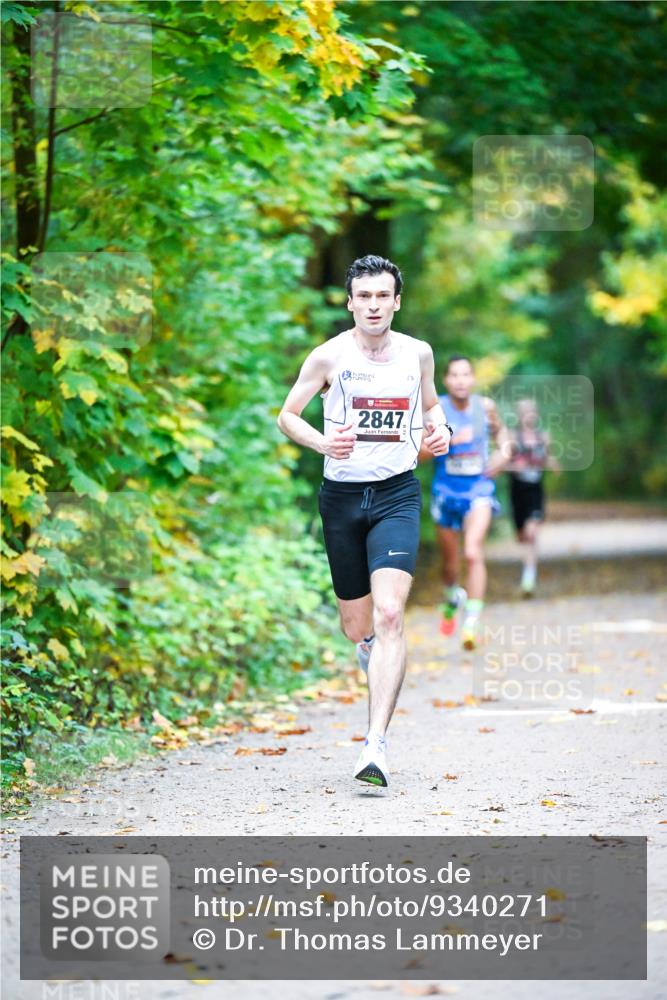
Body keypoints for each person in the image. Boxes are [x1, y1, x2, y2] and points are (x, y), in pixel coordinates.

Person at [277, 254, 452, 788]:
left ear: (397, 301)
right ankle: (374, 658)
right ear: (351, 302)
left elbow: (431, 408)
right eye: (364, 297)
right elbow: (287, 416)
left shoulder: (418, 354)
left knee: (391, 614)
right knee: (358, 626)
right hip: (343, 500)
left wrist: (438, 431)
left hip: (398, 495)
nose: (374, 306)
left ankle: (374, 746)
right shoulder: (328, 358)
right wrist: (322, 441)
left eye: (383, 296)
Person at [421, 355, 509, 650]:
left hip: (478, 490)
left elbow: (502, 434)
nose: (460, 380)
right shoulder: (437, 410)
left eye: (465, 375)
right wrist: (441, 444)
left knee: (472, 552)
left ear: (473, 379)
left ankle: (471, 622)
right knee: (450, 565)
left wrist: (504, 453)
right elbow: (418, 453)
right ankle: (452, 598)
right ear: (446, 380)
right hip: (445, 492)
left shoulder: (484, 407)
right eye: (454, 375)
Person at [507, 398, 560, 597]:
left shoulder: (543, 436)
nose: (528, 414)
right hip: (517, 490)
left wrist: (553, 465)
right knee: (522, 535)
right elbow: (502, 463)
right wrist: (514, 466)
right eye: (524, 411)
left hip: (535, 490)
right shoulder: (512, 437)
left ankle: (528, 579)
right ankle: (528, 572)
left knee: (532, 533)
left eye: (531, 410)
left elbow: (550, 459)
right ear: (519, 415)